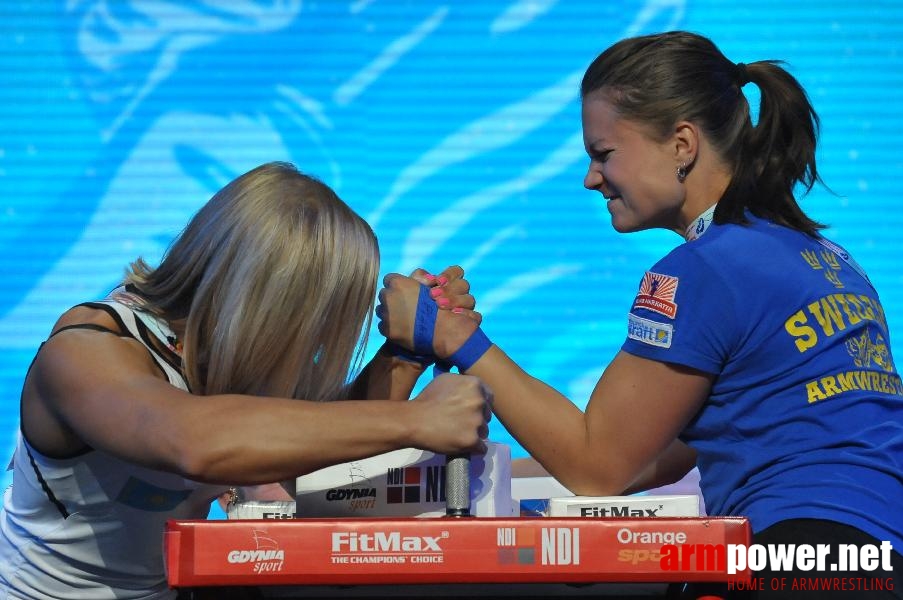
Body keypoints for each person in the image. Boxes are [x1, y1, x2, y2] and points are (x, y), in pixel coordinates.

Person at [377, 31, 903, 598]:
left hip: (798, 557)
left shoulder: (702, 271)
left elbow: (597, 466)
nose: (591, 178)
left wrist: (452, 336)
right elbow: (652, 458)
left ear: (682, 144)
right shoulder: (827, 261)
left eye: (603, 154)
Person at [0, 161, 491, 599]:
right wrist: (418, 419)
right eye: (321, 324)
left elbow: (305, 450)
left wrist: (406, 351)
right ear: (270, 309)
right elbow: (195, 441)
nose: (320, 344)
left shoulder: (230, 361)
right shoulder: (84, 351)